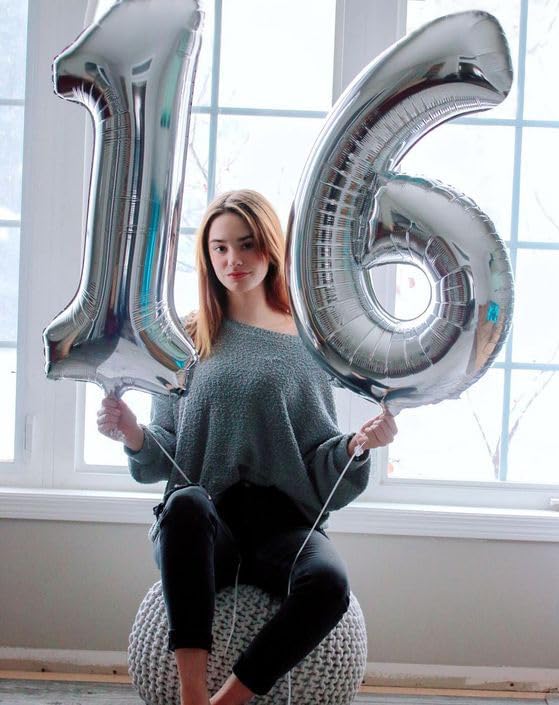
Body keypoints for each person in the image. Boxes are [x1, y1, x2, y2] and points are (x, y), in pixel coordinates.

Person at [97, 190, 397, 705]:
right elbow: (164, 450)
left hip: (284, 526)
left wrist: (356, 446)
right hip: (203, 527)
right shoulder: (185, 338)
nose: (232, 259)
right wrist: (132, 433)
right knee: (186, 503)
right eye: (219, 248)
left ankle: (227, 702)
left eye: (246, 244)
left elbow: (317, 455)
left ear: (270, 248)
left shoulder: (307, 341)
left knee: (329, 584)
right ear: (206, 256)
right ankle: (193, 697)